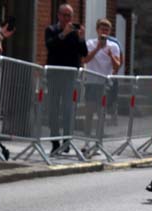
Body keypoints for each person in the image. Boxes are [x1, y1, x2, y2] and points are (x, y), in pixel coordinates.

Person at [45, 3, 88, 154]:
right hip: (55, 76)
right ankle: (55, 142)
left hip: (70, 77)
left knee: (68, 110)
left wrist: (81, 38)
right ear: (58, 16)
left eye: (69, 16)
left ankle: (66, 142)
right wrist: (63, 34)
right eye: (64, 15)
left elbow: (84, 53)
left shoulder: (75, 34)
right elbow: (50, 46)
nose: (67, 18)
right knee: (54, 110)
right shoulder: (51, 30)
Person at [83, 18, 121, 145]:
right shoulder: (90, 43)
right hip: (91, 81)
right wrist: (98, 48)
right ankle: (87, 140)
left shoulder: (114, 46)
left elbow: (117, 66)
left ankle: (98, 142)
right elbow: (85, 60)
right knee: (89, 112)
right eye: (102, 29)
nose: (104, 32)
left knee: (101, 113)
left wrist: (111, 55)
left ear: (109, 31)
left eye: (107, 29)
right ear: (97, 30)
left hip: (105, 83)